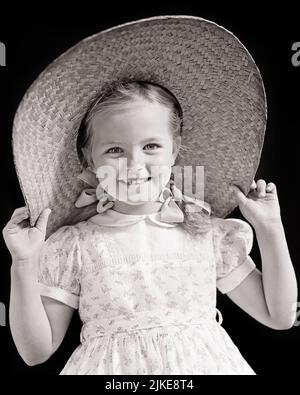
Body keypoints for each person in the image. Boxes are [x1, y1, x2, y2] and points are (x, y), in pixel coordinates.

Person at [2, 16, 298, 375]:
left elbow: (279, 316)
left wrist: (271, 229)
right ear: (89, 161)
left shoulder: (206, 232)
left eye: (151, 146)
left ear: (175, 152)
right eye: (114, 150)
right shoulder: (75, 246)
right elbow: (36, 352)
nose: (133, 164)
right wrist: (23, 264)